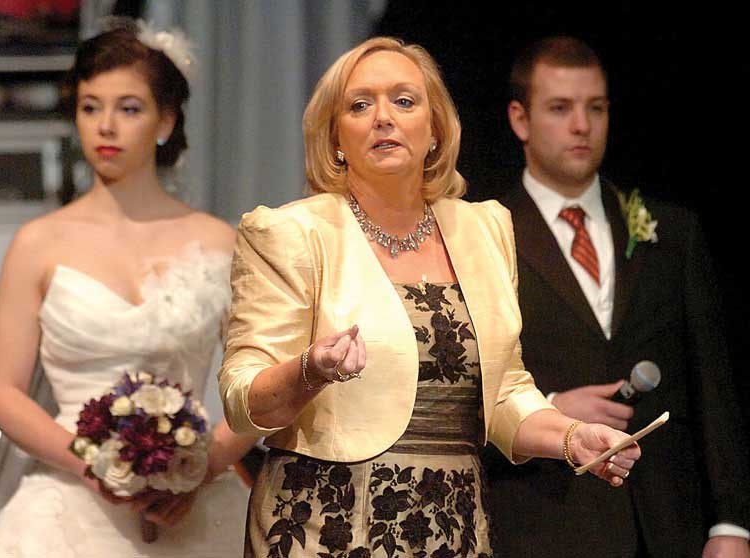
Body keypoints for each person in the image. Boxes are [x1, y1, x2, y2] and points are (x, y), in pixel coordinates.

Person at [218, 36, 640, 558]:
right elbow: (243, 400)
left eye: (403, 100)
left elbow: (503, 392)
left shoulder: (485, 229)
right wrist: (310, 368)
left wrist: (572, 439)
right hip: (324, 525)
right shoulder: (291, 233)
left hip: (452, 526)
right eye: (359, 105)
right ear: (335, 138)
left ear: (435, 130)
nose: (382, 118)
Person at [0, 20, 256, 557]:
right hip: (66, 507)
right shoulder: (38, 243)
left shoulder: (220, 241)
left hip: (195, 504)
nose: (106, 127)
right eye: (90, 106)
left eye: (129, 108)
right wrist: (96, 466)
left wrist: (203, 464)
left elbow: (261, 384)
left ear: (165, 120)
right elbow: (4, 392)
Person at [482, 35, 750, 557]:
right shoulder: (487, 235)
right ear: (520, 120)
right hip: (544, 523)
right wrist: (552, 409)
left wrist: (731, 525)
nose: (581, 125)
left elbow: (713, 388)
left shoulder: (670, 232)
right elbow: (470, 391)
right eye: (560, 109)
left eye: (595, 108)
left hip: (668, 526)